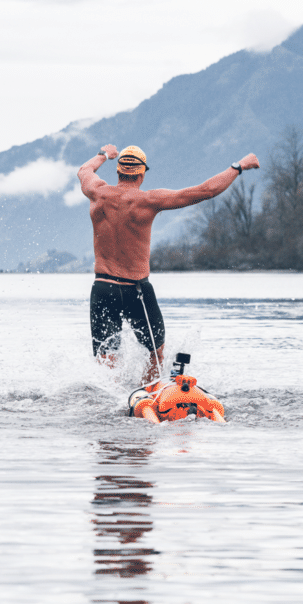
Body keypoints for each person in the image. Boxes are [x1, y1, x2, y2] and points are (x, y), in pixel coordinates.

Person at [78, 143, 259, 383]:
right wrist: (239, 166)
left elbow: (84, 171)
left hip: (102, 287)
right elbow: (206, 191)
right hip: (135, 290)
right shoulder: (148, 200)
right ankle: (150, 392)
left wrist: (103, 155)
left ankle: (115, 402)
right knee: (156, 353)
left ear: (118, 171)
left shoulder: (97, 192)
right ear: (141, 174)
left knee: (108, 359)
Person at [127, 352, 225, 422]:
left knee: (145, 403)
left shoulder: (152, 398)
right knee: (213, 406)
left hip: (169, 405)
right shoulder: (207, 405)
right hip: (193, 403)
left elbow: (141, 402)